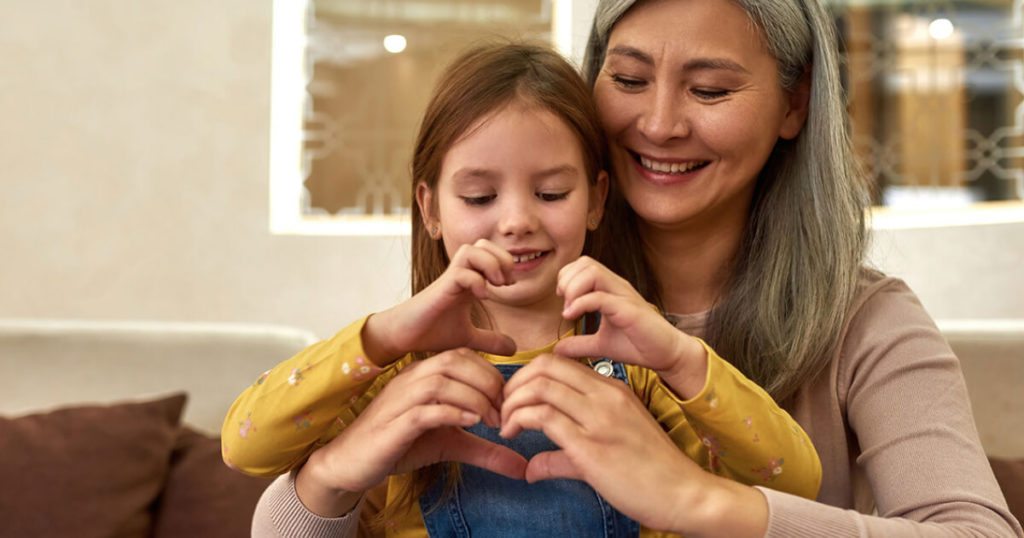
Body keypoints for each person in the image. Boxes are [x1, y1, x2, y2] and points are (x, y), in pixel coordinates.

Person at [246, 0, 1024, 536]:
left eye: (710, 88)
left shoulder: (868, 325)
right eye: (625, 80)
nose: (658, 123)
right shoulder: (507, 303)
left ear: (795, 104)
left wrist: (696, 499)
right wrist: (332, 477)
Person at [225, 41, 824, 537]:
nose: (516, 221)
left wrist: (677, 353)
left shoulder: (634, 365)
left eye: (551, 193)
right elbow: (245, 446)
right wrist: (380, 338)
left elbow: (795, 484)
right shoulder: (397, 372)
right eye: (480, 197)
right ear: (430, 210)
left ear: (596, 200)